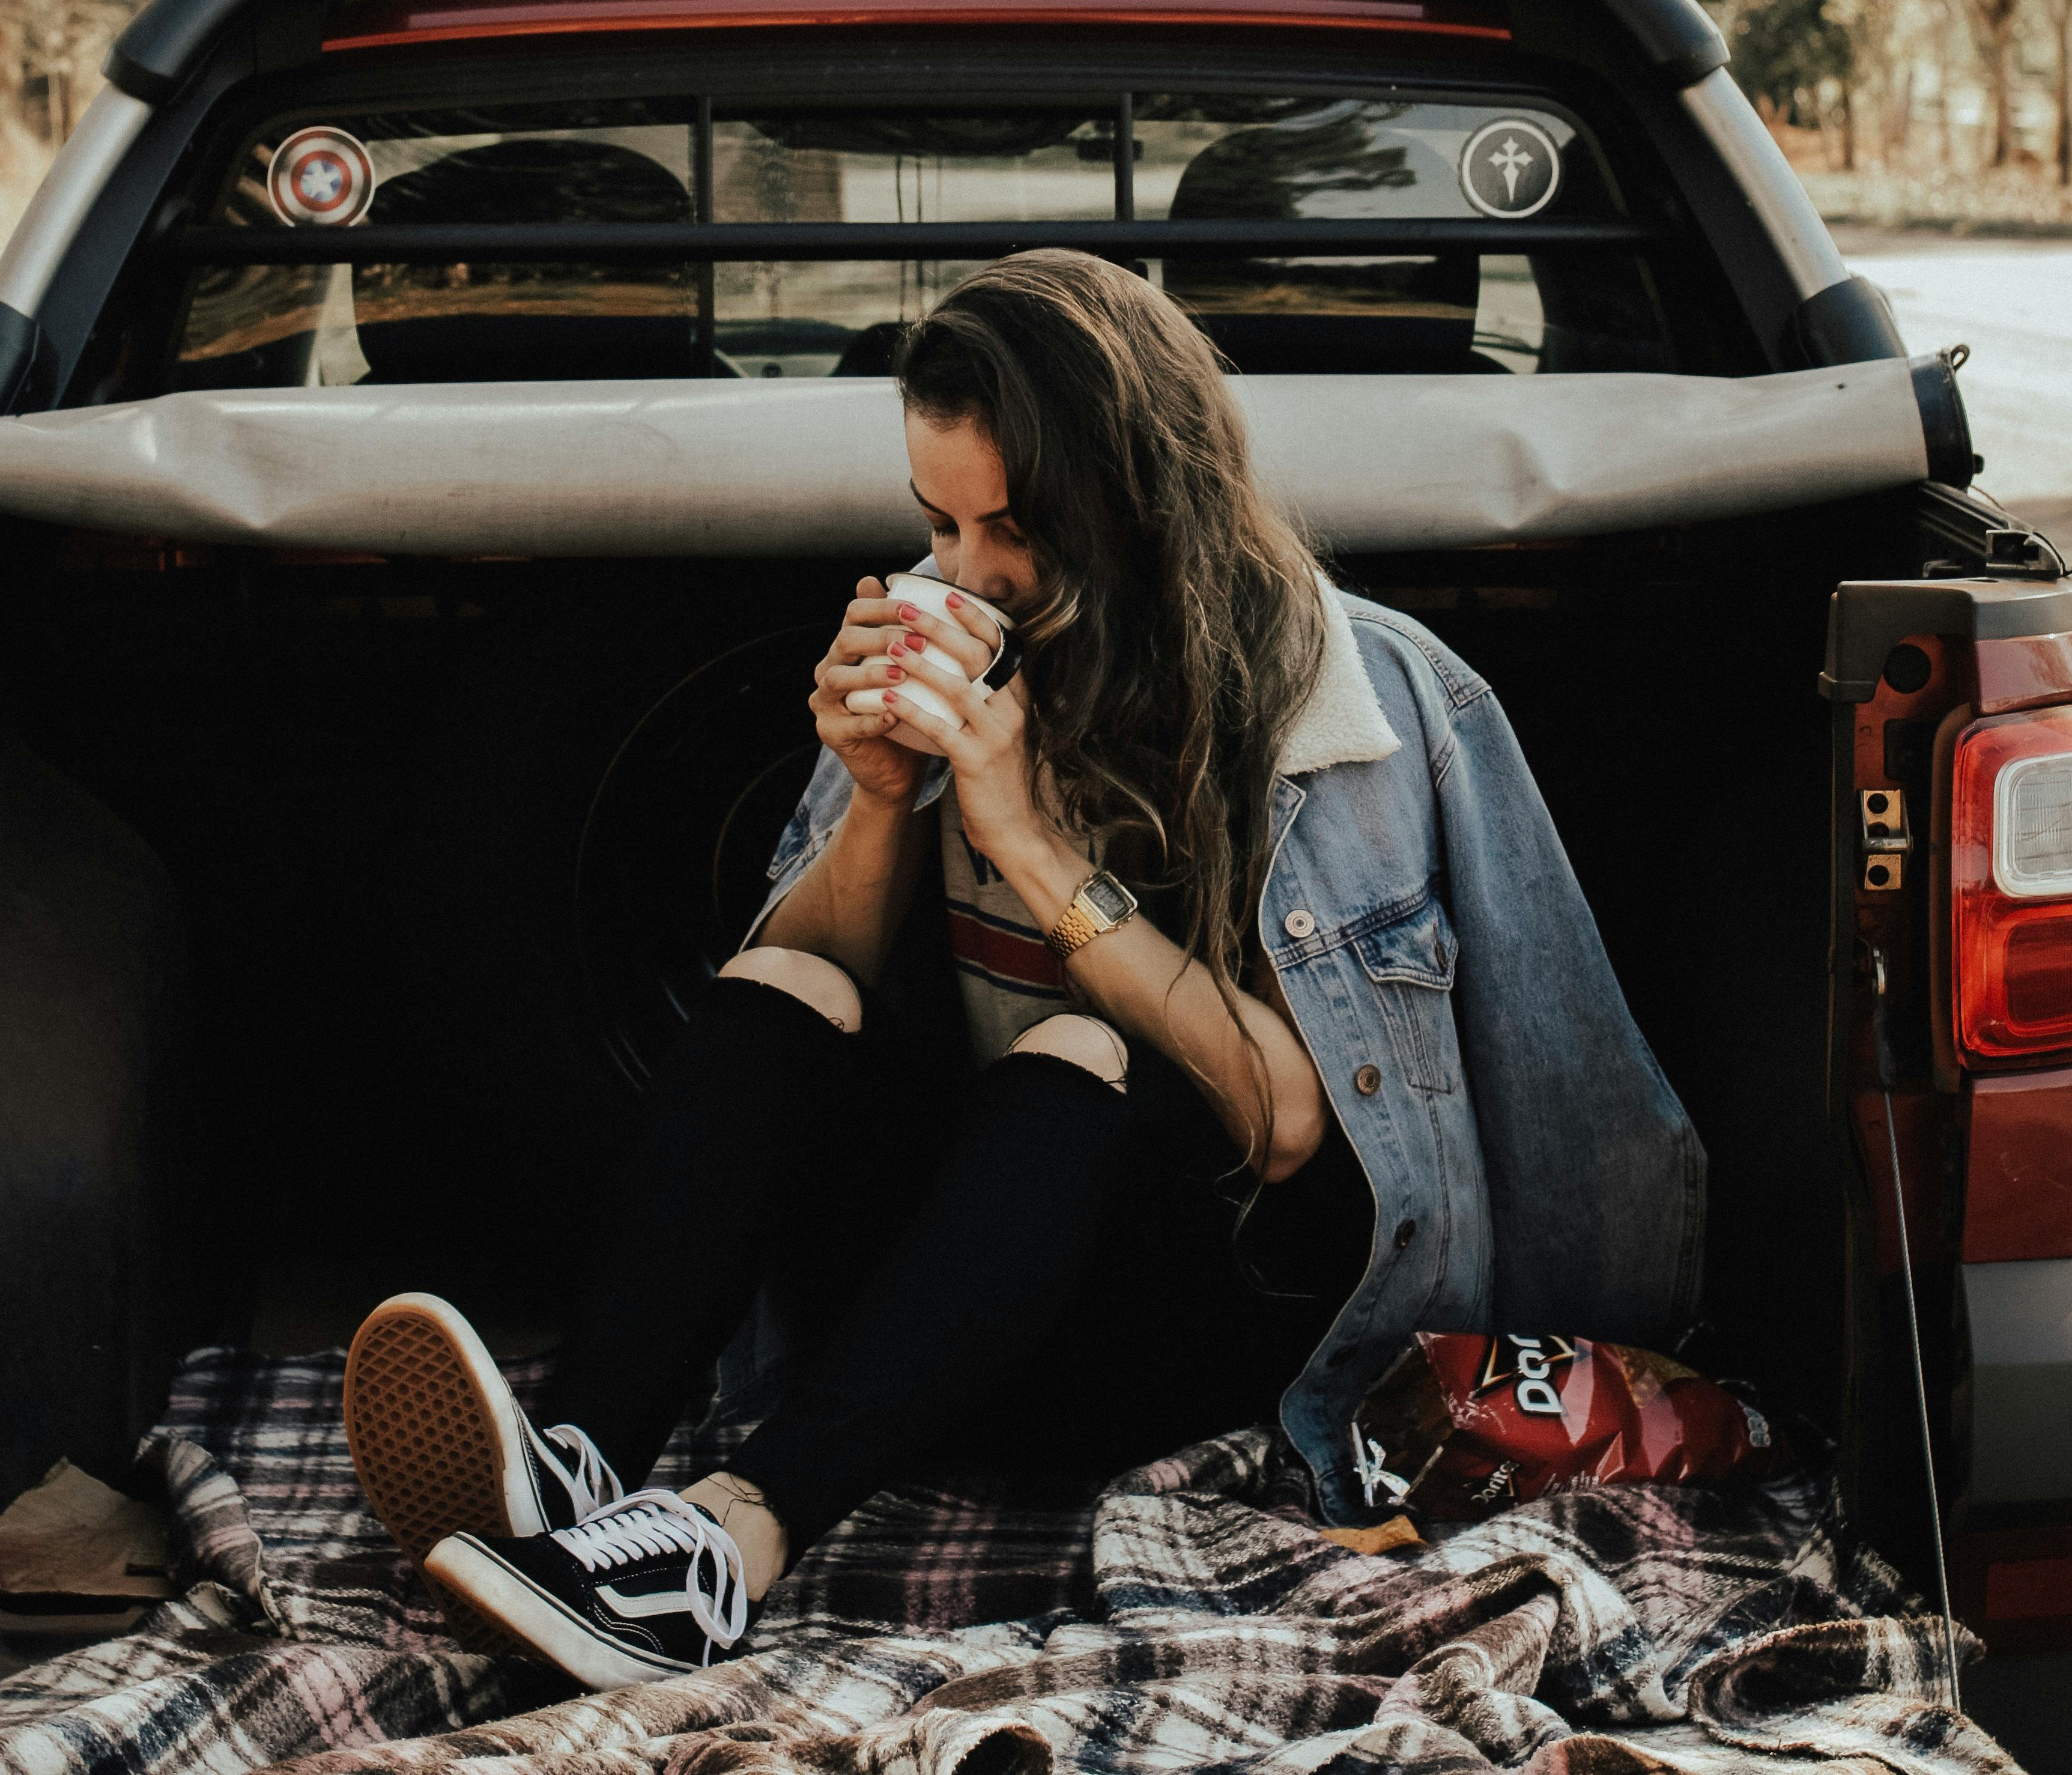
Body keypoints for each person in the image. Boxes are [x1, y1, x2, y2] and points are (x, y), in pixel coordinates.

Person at [341, 250, 1703, 1688]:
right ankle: (580, 1471)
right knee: (782, 983)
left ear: (1144, 497)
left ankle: (730, 1541)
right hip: (946, 1305)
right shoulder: (949, 624)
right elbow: (802, 999)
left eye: (1019, 528)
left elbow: (1297, 1124)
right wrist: (874, 791)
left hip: (1201, 1317)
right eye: (942, 520)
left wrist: (1026, 841)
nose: (974, 570)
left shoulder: (1352, 701)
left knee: (1079, 1053)